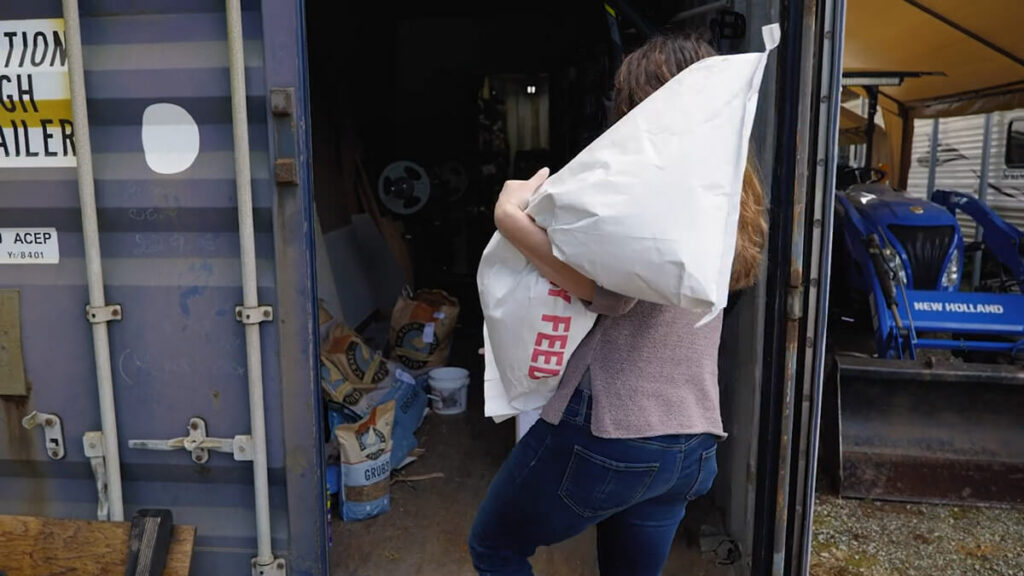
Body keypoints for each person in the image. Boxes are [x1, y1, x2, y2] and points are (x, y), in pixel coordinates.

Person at [468, 32, 767, 576]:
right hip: (691, 441)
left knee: (494, 545)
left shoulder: (648, 178)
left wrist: (510, 220)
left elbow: (611, 295)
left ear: (642, 101)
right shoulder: (729, 182)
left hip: (613, 431)